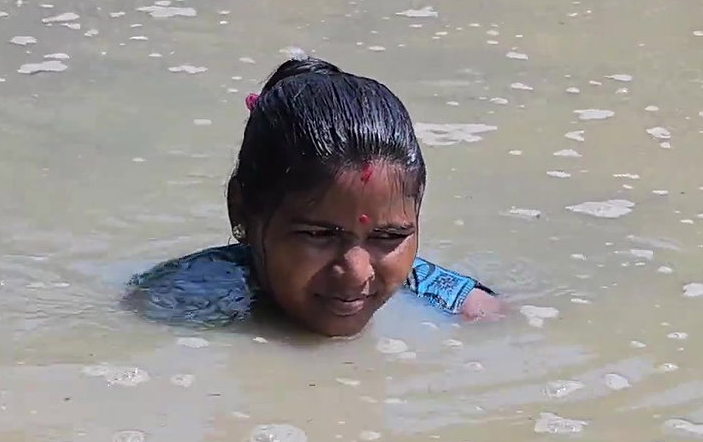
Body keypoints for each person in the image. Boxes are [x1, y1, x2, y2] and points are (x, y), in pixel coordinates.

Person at [127, 56, 504, 337]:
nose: (355, 274)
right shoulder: (169, 305)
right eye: (318, 235)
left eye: (389, 237)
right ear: (240, 211)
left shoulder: (464, 308)